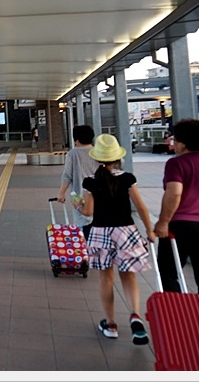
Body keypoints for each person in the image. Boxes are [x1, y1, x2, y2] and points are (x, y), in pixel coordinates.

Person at [80, 134, 154, 345]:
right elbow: (140, 207)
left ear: (97, 159)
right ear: (117, 158)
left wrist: (77, 204)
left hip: (101, 233)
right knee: (128, 276)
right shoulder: (127, 178)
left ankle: (111, 323)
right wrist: (149, 230)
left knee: (106, 278)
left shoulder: (90, 182)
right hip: (126, 231)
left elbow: (88, 212)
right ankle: (135, 316)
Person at [153, 118, 199, 295]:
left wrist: (163, 222)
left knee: (168, 272)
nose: (173, 143)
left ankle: (177, 313)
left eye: (175, 139)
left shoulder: (177, 163)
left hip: (180, 226)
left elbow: (174, 192)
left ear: (183, 143)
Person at [56, 125, 99, 240]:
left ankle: (85, 253)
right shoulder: (98, 153)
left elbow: (67, 175)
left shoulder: (73, 154)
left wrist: (61, 193)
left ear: (76, 140)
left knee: (83, 229)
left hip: (80, 196)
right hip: (100, 197)